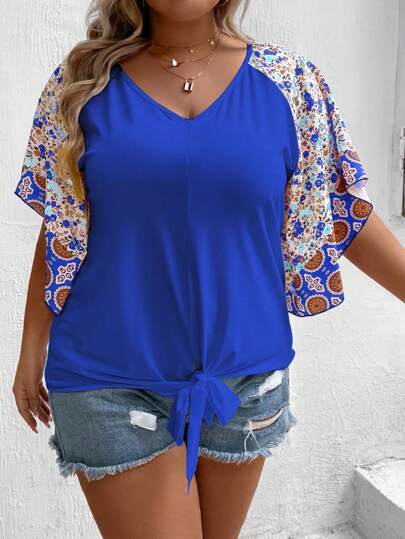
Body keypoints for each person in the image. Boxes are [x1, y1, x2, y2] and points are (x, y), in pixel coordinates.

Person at [12, 1, 405, 538]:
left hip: (247, 381)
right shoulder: (83, 84)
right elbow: (62, 226)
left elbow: (339, 211)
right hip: (109, 381)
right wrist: (31, 345)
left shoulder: (292, 85)